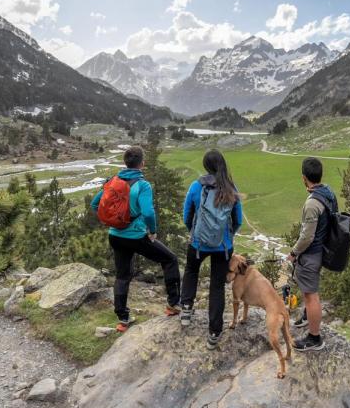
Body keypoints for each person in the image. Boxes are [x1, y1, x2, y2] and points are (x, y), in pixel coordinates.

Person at [92, 146, 181, 332]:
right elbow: (148, 211)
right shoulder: (142, 185)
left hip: (115, 236)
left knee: (122, 276)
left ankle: (123, 319)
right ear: (142, 163)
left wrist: (115, 221)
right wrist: (153, 230)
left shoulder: (113, 181)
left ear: (126, 162)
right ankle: (173, 305)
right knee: (170, 259)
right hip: (137, 236)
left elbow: (95, 204)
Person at [179, 149, 243, 349]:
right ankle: (214, 332)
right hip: (223, 247)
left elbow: (186, 215)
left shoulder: (196, 186)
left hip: (198, 244)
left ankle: (187, 309)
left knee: (191, 271)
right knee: (216, 286)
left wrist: (194, 233)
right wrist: (228, 238)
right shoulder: (231, 188)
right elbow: (238, 220)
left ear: (206, 166)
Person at [287, 156, 336, 352]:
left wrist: (293, 253)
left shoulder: (312, 204)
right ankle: (307, 317)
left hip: (311, 253)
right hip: (321, 250)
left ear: (303, 177)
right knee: (310, 292)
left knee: (311, 296)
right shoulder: (328, 192)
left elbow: (307, 236)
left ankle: (314, 338)